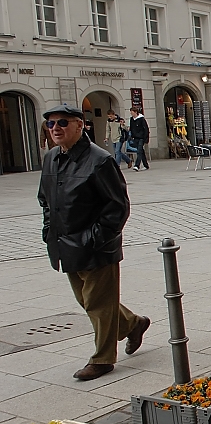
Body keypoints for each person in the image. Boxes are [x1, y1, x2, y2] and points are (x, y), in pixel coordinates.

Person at [36, 103, 150, 381]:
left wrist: (95, 238)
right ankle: (133, 324)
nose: (55, 129)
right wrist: (49, 229)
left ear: (79, 125)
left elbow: (117, 206)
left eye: (62, 123)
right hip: (64, 243)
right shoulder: (52, 158)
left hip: (96, 246)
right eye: (51, 124)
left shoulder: (99, 159)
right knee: (88, 300)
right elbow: (45, 199)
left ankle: (102, 359)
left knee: (98, 303)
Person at [129, 106, 150, 171]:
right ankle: (146, 165)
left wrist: (146, 138)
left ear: (136, 112)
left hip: (141, 137)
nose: (131, 114)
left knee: (139, 151)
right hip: (135, 137)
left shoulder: (141, 119)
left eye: (132, 112)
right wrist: (131, 135)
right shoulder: (131, 119)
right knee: (141, 151)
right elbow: (131, 128)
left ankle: (137, 165)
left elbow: (146, 129)